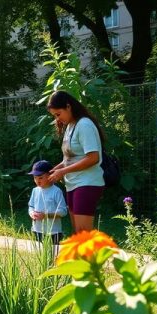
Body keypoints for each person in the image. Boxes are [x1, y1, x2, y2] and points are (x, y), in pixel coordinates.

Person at [46, 90, 106, 233]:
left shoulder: (84, 124)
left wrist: (63, 171)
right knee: (78, 235)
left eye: (58, 114)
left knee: (83, 235)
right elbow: (69, 159)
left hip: (87, 183)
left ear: (68, 106)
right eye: (54, 116)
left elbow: (93, 158)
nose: (57, 119)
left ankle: (96, 255)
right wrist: (54, 171)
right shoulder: (70, 126)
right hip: (73, 184)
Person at [28, 160, 67, 249]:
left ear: (50, 176)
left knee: (53, 255)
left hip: (53, 231)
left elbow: (63, 211)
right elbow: (31, 206)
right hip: (37, 229)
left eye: (40, 178)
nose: (37, 181)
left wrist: (46, 215)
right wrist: (32, 213)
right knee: (40, 254)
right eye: (35, 178)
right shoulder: (35, 191)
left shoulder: (56, 191)